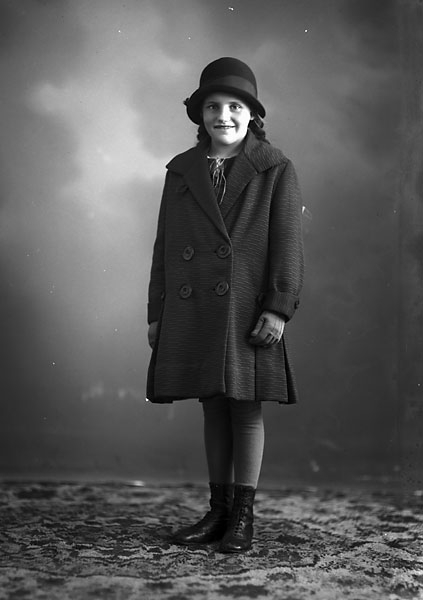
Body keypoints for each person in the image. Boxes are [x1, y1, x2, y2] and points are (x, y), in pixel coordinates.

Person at [146, 57, 304, 553]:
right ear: (200, 114)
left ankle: (242, 516)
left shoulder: (274, 167)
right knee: (212, 406)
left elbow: (287, 244)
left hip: (246, 308)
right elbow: (165, 246)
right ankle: (217, 511)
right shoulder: (181, 170)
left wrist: (278, 307)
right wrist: (157, 312)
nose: (224, 116)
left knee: (245, 407)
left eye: (235, 106)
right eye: (213, 106)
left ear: (251, 114)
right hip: (193, 308)